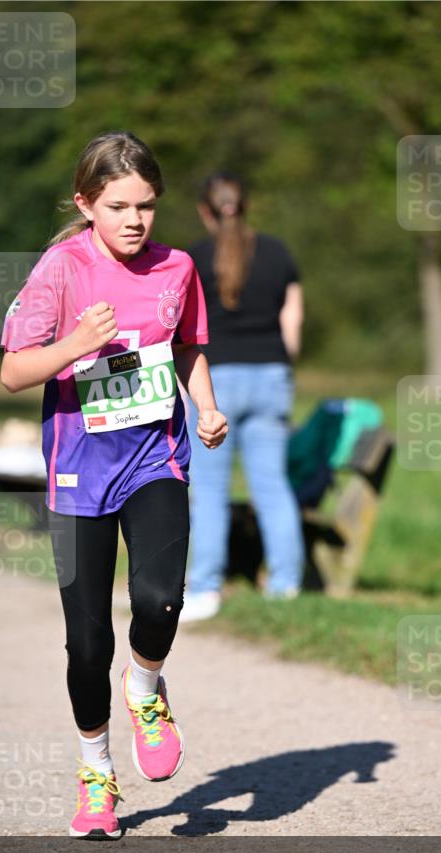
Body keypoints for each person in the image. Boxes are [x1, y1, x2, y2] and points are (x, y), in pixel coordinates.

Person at [0, 131, 228, 840]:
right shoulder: (60, 271)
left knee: (160, 600)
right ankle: (96, 773)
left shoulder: (177, 268)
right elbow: (13, 371)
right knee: (86, 643)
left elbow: (187, 345)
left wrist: (206, 406)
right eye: (119, 206)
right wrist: (75, 345)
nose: (134, 221)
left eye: (147, 206)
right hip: (78, 473)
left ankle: (145, 688)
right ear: (86, 204)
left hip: (155, 458)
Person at [180, 173, 305, 623]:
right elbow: (292, 328)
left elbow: (182, 331)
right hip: (271, 375)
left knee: (209, 489)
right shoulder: (278, 252)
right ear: (245, 206)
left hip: (213, 380)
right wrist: (278, 367)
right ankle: (287, 584)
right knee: (272, 485)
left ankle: (207, 587)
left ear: (204, 211)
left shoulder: (192, 258)